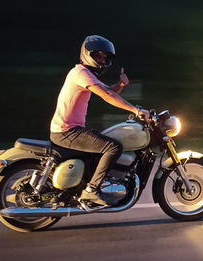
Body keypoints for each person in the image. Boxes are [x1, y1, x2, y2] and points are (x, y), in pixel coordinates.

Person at [49, 35, 150, 206]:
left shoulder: (85, 74)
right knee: (113, 146)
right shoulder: (80, 73)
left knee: (103, 139)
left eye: (105, 57)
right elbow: (106, 95)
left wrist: (121, 85)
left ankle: (88, 184)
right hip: (67, 131)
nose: (102, 60)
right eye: (98, 56)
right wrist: (136, 110)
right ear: (88, 54)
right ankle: (92, 190)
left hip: (72, 129)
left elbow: (109, 90)